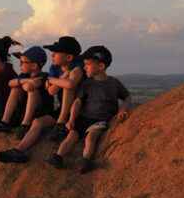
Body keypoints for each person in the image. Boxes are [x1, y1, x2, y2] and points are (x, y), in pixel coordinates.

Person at [0, 36, 83, 164]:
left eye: (56, 52)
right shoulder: (57, 71)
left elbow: (69, 85)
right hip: (60, 111)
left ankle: (60, 125)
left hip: (78, 111)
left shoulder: (77, 70)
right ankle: (19, 151)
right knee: (37, 122)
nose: (52, 55)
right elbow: (52, 91)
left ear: (69, 57)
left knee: (66, 85)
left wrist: (52, 80)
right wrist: (59, 78)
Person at [46, 45, 131, 173]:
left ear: (101, 66)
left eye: (87, 64)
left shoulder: (113, 83)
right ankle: (58, 156)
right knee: (71, 135)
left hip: (100, 120)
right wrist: (71, 119)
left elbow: (127, 96)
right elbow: (78, 102)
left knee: (91, 137)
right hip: (84, 117)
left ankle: (85, 160)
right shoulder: (87, 83)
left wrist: (122, 109)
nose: (84, 67)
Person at [0, 46, 52, 140]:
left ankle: (25, 125)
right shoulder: (24, 75)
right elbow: (10, 83)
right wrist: (25, 81)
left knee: (31, 90)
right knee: (15, 89)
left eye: (23, 62)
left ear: (34, 65)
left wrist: (24, 82)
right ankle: (5, 122)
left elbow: (29, 87)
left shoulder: (43, 76)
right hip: (24, 110)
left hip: (39, 112)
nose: (20, 65)